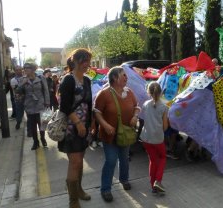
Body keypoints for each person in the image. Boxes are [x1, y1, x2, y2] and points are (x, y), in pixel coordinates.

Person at [94, 66, 140, 203]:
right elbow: (96, 111)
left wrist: (135, 116)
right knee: (111, 160)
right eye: (123, 75)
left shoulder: (129, 92)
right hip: (110, 134)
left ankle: (124, 179)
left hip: (125, 133)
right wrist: (105, 125)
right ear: (115, 78)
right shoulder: (104, 94)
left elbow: (137, 107)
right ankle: (106, 189)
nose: (126, 77)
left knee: (124, 159)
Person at [57, 48, 93, 208]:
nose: (87, 64)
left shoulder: (87, 81)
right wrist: (78, 123)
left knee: (80, 161)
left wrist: (91, 124)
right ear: (76, 61)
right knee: (75, 162)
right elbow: (64, 106)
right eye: (84, 61)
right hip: (72, 129)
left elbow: (89, 104)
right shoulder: (68, 80)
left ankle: (78, 189)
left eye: (88, 61)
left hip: (84, 128)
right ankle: (73, 200)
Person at [140, 82, 169, 194]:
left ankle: (153, 186)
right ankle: (158, 181)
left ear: (149, 92)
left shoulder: (145, 104)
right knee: (162, 158)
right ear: (161, 92)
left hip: (146, 138)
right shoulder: (164, 107)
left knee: (153, 160)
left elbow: (144, 119)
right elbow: (165, 127)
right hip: (158, 139)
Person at [17, 63, 50, 149]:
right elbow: (18, 91)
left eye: (27, 68)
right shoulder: (22, 79)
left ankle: (43, 138)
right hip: (29, 105)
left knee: (42, 124)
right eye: (24, 68)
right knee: (32, 125)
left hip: (40, 104)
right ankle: (35, 142)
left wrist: (47, 102)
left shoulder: (41, 78)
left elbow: (46, 90)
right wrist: (23, 84)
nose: (25, 70)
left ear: (33, 69)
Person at [10, 66, 25, 130]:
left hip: (27, 98)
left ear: (22, 70)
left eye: (20, 70)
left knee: (29, 113)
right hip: (18, 99)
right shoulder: (13, 80)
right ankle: (18, 122)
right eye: (17, 70)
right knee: (19, 112)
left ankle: (29, 127)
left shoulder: (25, 77)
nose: (18, 71)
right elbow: (16, 90)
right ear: (15, 71)